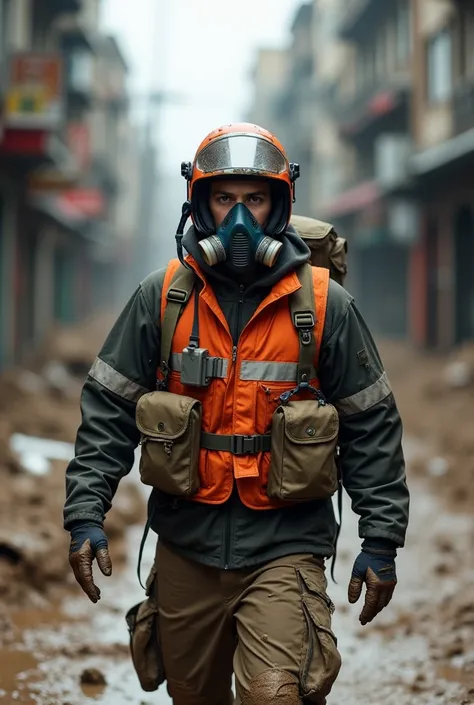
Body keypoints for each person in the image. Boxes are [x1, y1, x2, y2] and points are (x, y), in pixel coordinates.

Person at [64, 122, 409, 705]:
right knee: (194, 697)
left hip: (285, 544)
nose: (240, 219)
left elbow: (372, 426)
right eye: (224, 199)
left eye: (255, 199)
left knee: (275, 696)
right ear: (200, 204)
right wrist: (84, 514)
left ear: (279, 206)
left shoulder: (325, 304)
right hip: (185, 542)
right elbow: (108, 410)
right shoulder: (164, 296)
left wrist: (381, 541)